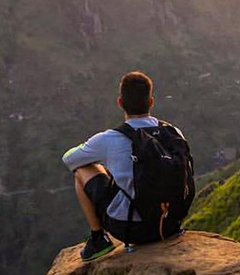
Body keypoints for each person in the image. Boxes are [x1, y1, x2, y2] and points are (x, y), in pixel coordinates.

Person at [62, 71, 189, 261]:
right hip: (170, 224)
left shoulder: (109, 139)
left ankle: (98, 239)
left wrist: (103, 162)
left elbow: (69, 159)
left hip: (131, 229)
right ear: (151, 102)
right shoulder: (173, 132)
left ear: (120, 102)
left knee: (82, 169)